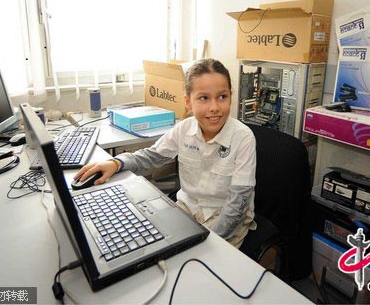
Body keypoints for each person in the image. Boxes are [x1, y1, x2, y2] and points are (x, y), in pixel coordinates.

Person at [74, 58, 257, 247]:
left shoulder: (243, 138)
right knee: (148, 244)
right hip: (187, 210)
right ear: (188, 102)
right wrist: (116, 163)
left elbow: (238, 204)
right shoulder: (184, 129)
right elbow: (152, 157)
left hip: (224, 220)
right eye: (204, 98)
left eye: (222, 97)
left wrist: (208, 242)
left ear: (231, 96)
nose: (214, 107)